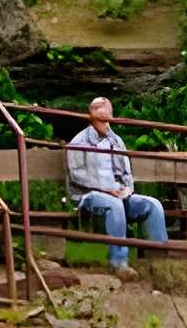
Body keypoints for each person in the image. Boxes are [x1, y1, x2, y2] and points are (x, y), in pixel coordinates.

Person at [66, 97, 168, 272]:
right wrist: (106, 189)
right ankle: (119, 263)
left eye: (106, 117)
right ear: (91, 116)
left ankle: (161, 262)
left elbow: (127, 173)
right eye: (99, 117)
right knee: (114, 205)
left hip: (118, 196)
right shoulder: (78, 142)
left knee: (153, 205)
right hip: (89, 197)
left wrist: (127, 189)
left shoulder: (117, 141)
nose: (104, 121)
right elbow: (76, 175)